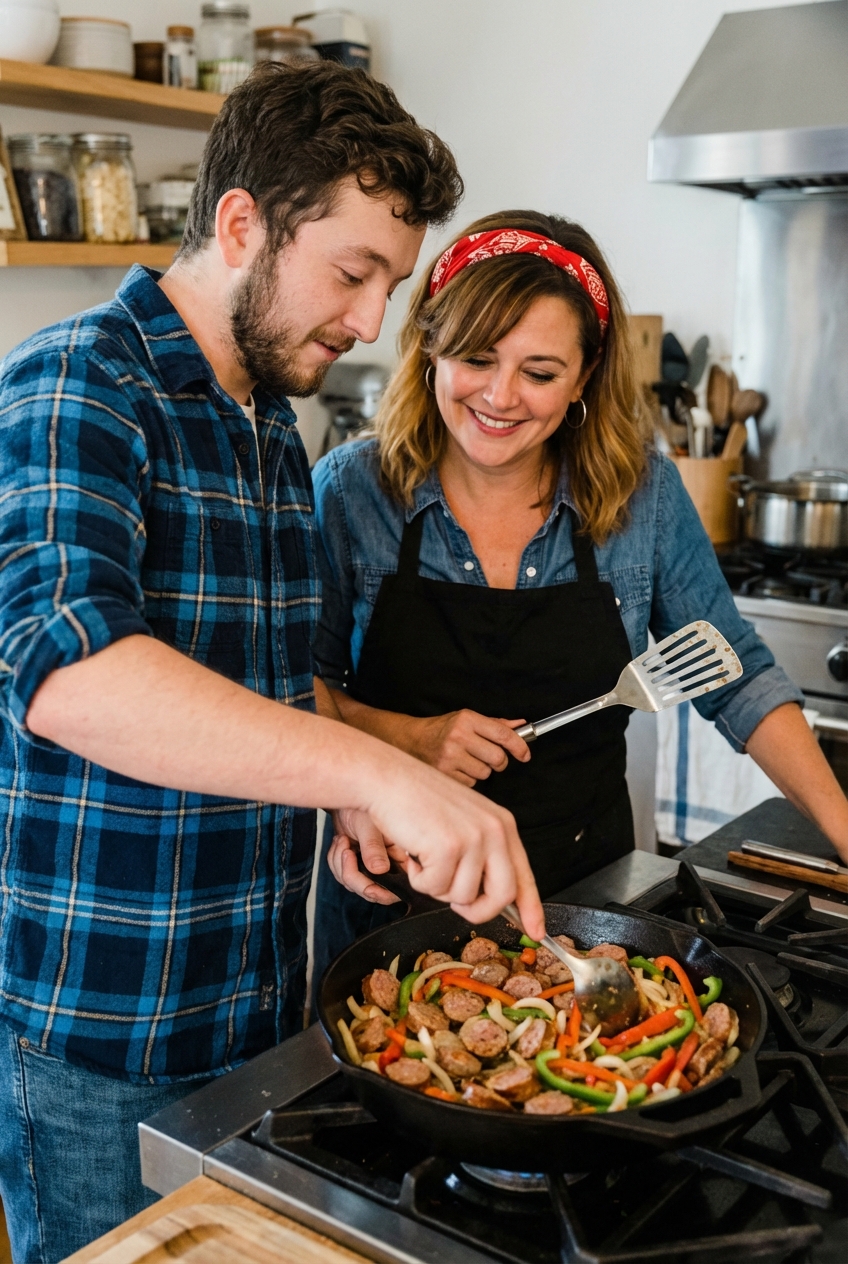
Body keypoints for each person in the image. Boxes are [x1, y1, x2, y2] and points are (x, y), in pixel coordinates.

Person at [0, 68, 544, 1262]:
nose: (369, 322)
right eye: (352, 274)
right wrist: (385, 768)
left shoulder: (269, 432)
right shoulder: (79, 382)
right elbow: (67, 670)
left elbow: (262, 688)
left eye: (388, 287)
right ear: (242, 224)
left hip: (257, 1010)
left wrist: (346, 786)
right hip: (102, 1033)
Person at [311, 209, 848, 980]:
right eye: (475, 357)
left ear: (584, 378)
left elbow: (736, 674)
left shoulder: (642, 494)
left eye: (539, 372)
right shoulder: (349, 492)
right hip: (397, 907)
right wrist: (407, 737)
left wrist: (842, 830)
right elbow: (291, 688)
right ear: (428, 345)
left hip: (590, 908)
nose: (499, 397)